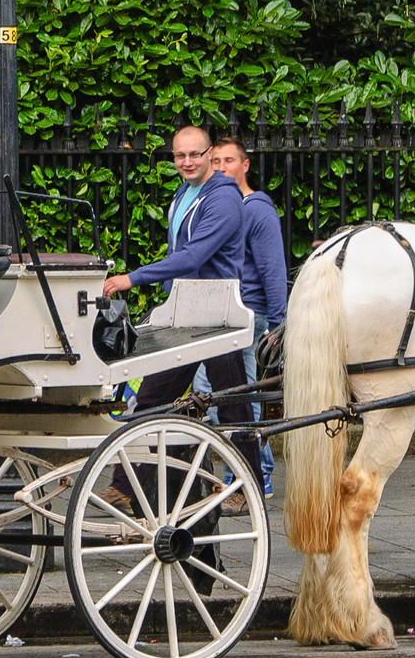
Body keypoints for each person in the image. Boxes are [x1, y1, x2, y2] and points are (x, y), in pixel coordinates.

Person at [100, 125, 257, 425]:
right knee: (159, 403)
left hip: (216, 316)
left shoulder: (223, 199)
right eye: (180, 156)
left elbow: (192, 256)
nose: (187, 162)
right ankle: (167, 469)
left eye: (195, 154)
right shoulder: (186, 191)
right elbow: (181, 251)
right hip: (188, 313)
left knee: (230, 409)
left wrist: (132, 278)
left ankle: (248, 472)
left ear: (210, 155)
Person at [207, 137, 288, 500]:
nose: (222, 166)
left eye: (229, 160)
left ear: (245, 165)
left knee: (238, 396)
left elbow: (273, 268)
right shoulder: (220, 206)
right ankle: (254, 473)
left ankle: (259, 474)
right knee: (226, 396)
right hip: (223, 314)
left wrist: (278, 323)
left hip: (248, 315)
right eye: (217, 161)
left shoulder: (257, 210)